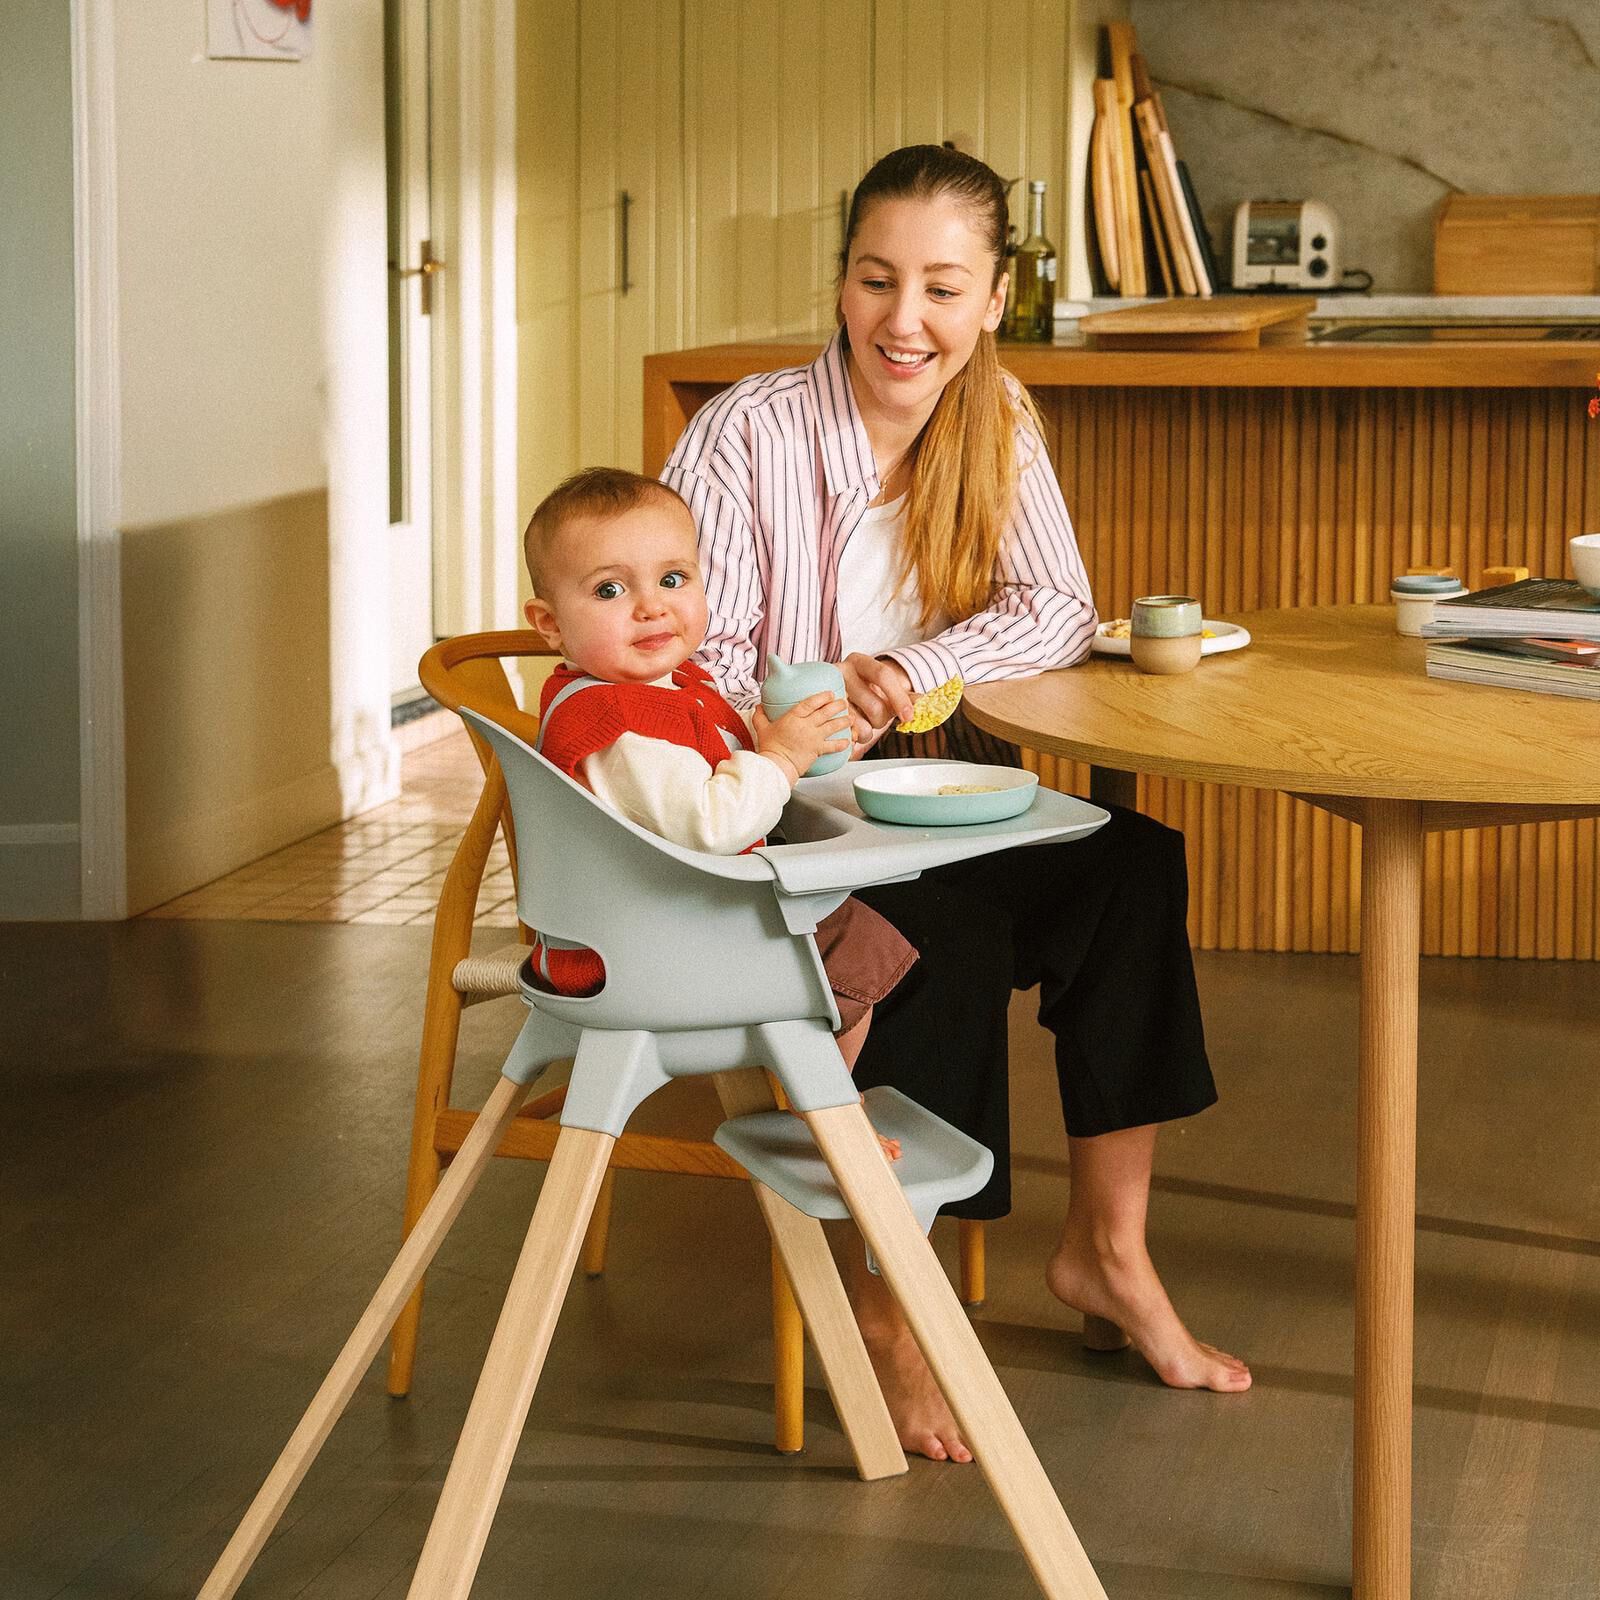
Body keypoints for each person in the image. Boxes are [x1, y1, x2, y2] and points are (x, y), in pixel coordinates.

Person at [663, 144, 1251, 1462]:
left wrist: (911, 669)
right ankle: (892, 1306)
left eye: (941, 286)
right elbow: (690, 665)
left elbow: (1054, 603)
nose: (903, 319)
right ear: (841, 284)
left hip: (922, 806)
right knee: (950, 930)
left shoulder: (998, 422)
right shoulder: (747, 434)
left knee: (1131, 868)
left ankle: (1109, 1252)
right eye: (876, 280)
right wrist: (813, 713)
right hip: (777, 829)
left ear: (992, 301)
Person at [520, 465, 916, 1159]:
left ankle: (820, 1101)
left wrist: (762, 742)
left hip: (655, 922)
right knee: (849, 935)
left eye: (673, 579)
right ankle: (828, 1108)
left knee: (843, 922)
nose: (652, 607)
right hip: (648, 950)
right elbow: (711, 821)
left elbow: (705, 775)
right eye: (611, 589)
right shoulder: (620, 722)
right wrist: (782, 761)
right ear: (550, 624)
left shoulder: (672, 687)